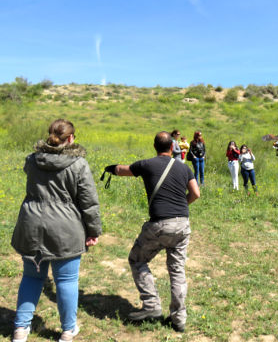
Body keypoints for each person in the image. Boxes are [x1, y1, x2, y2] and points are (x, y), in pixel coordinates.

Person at [11, 119, 102, 342]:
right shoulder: (78, 164)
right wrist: (93, 231)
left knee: (31, 278)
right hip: (65, 228)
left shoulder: (32, 160)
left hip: (31, 224)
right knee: (67, 281)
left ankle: (20, 330)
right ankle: (68, 331)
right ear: (71, 138)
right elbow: (89, 202)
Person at [103, 131, 200, 332]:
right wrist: (183, 205)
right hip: (182, 224)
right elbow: (196, 193)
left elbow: (122, 170)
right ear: (172, 147)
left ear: (155, 146)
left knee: (137, 260)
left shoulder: (147, 164)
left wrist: (109, 168)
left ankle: (152, 305)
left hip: (159, 225)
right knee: (177, 271)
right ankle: (179, 319)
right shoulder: (184, 168)